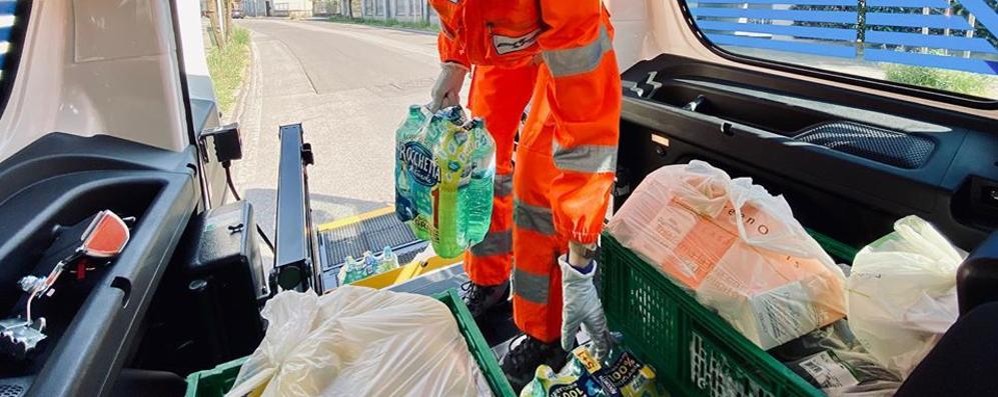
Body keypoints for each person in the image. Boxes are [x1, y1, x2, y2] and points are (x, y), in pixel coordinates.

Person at [427, 0, 622, 389]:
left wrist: (581, 261)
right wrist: (455, 63)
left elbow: (586, 136)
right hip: (505, 47)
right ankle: (489, 280)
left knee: (539, 182)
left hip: (565, 47)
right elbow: (454, 13)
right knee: (479, 156)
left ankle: (545, 335)